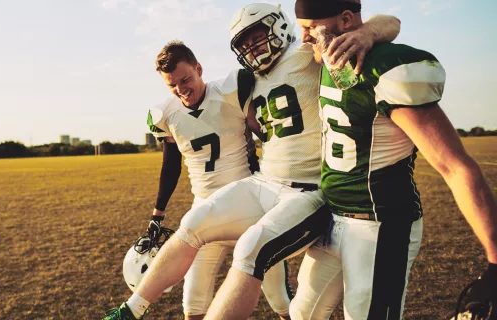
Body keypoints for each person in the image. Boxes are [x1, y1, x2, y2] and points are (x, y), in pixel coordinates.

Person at [101, 3, 402, 320]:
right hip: (265, 183)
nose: (253, 49)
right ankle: (130, 311)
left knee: (250, 250)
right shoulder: (244, 79)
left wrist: (367, 31)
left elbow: (391, 22)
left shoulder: (306, 51)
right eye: (244, 45)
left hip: (309, 190)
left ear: (279, 27)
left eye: (257, 38)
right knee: (193, 223)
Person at [278, 0, 497, 318]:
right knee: (303, 313)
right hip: (334, 219)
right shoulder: (327, 55)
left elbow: (454, 165)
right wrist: (370, 30)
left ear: (346, 20)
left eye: (311, 28)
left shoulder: (384, 66)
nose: (305, 38)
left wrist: (494, 260)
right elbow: (389, 20)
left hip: (380, 225)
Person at [142, 40, 291, 320]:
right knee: (193, 307)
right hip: (205, 212)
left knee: (282, 302)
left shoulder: (232, 90)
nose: (181, 89)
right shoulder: (166, 114)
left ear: (199, 68)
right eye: (172, 85)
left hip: (251, 207)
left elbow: (268, 136)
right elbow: (171, 165)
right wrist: (158, 212)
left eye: (185, 79)